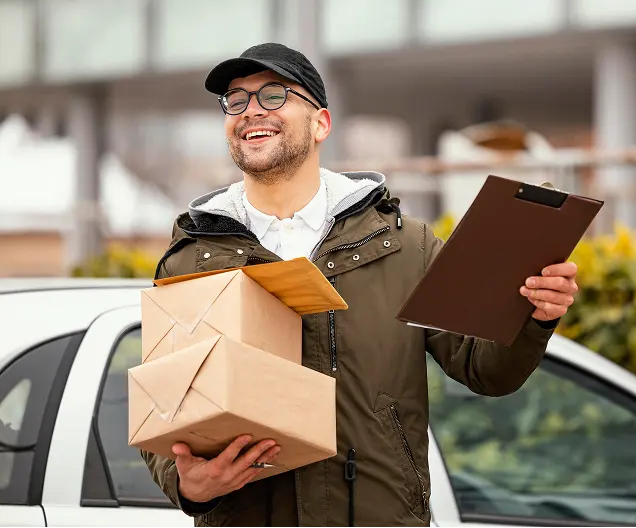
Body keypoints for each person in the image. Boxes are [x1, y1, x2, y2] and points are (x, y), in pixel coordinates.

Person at [141, 43, 581, 528]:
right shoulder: (192, 258)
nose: (250, 112)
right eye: (236, 100)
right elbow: (166, 405)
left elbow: (485, 370)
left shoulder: (405, 245)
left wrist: (535, 317)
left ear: (321, 123)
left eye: (272, 95)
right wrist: (186, 485)